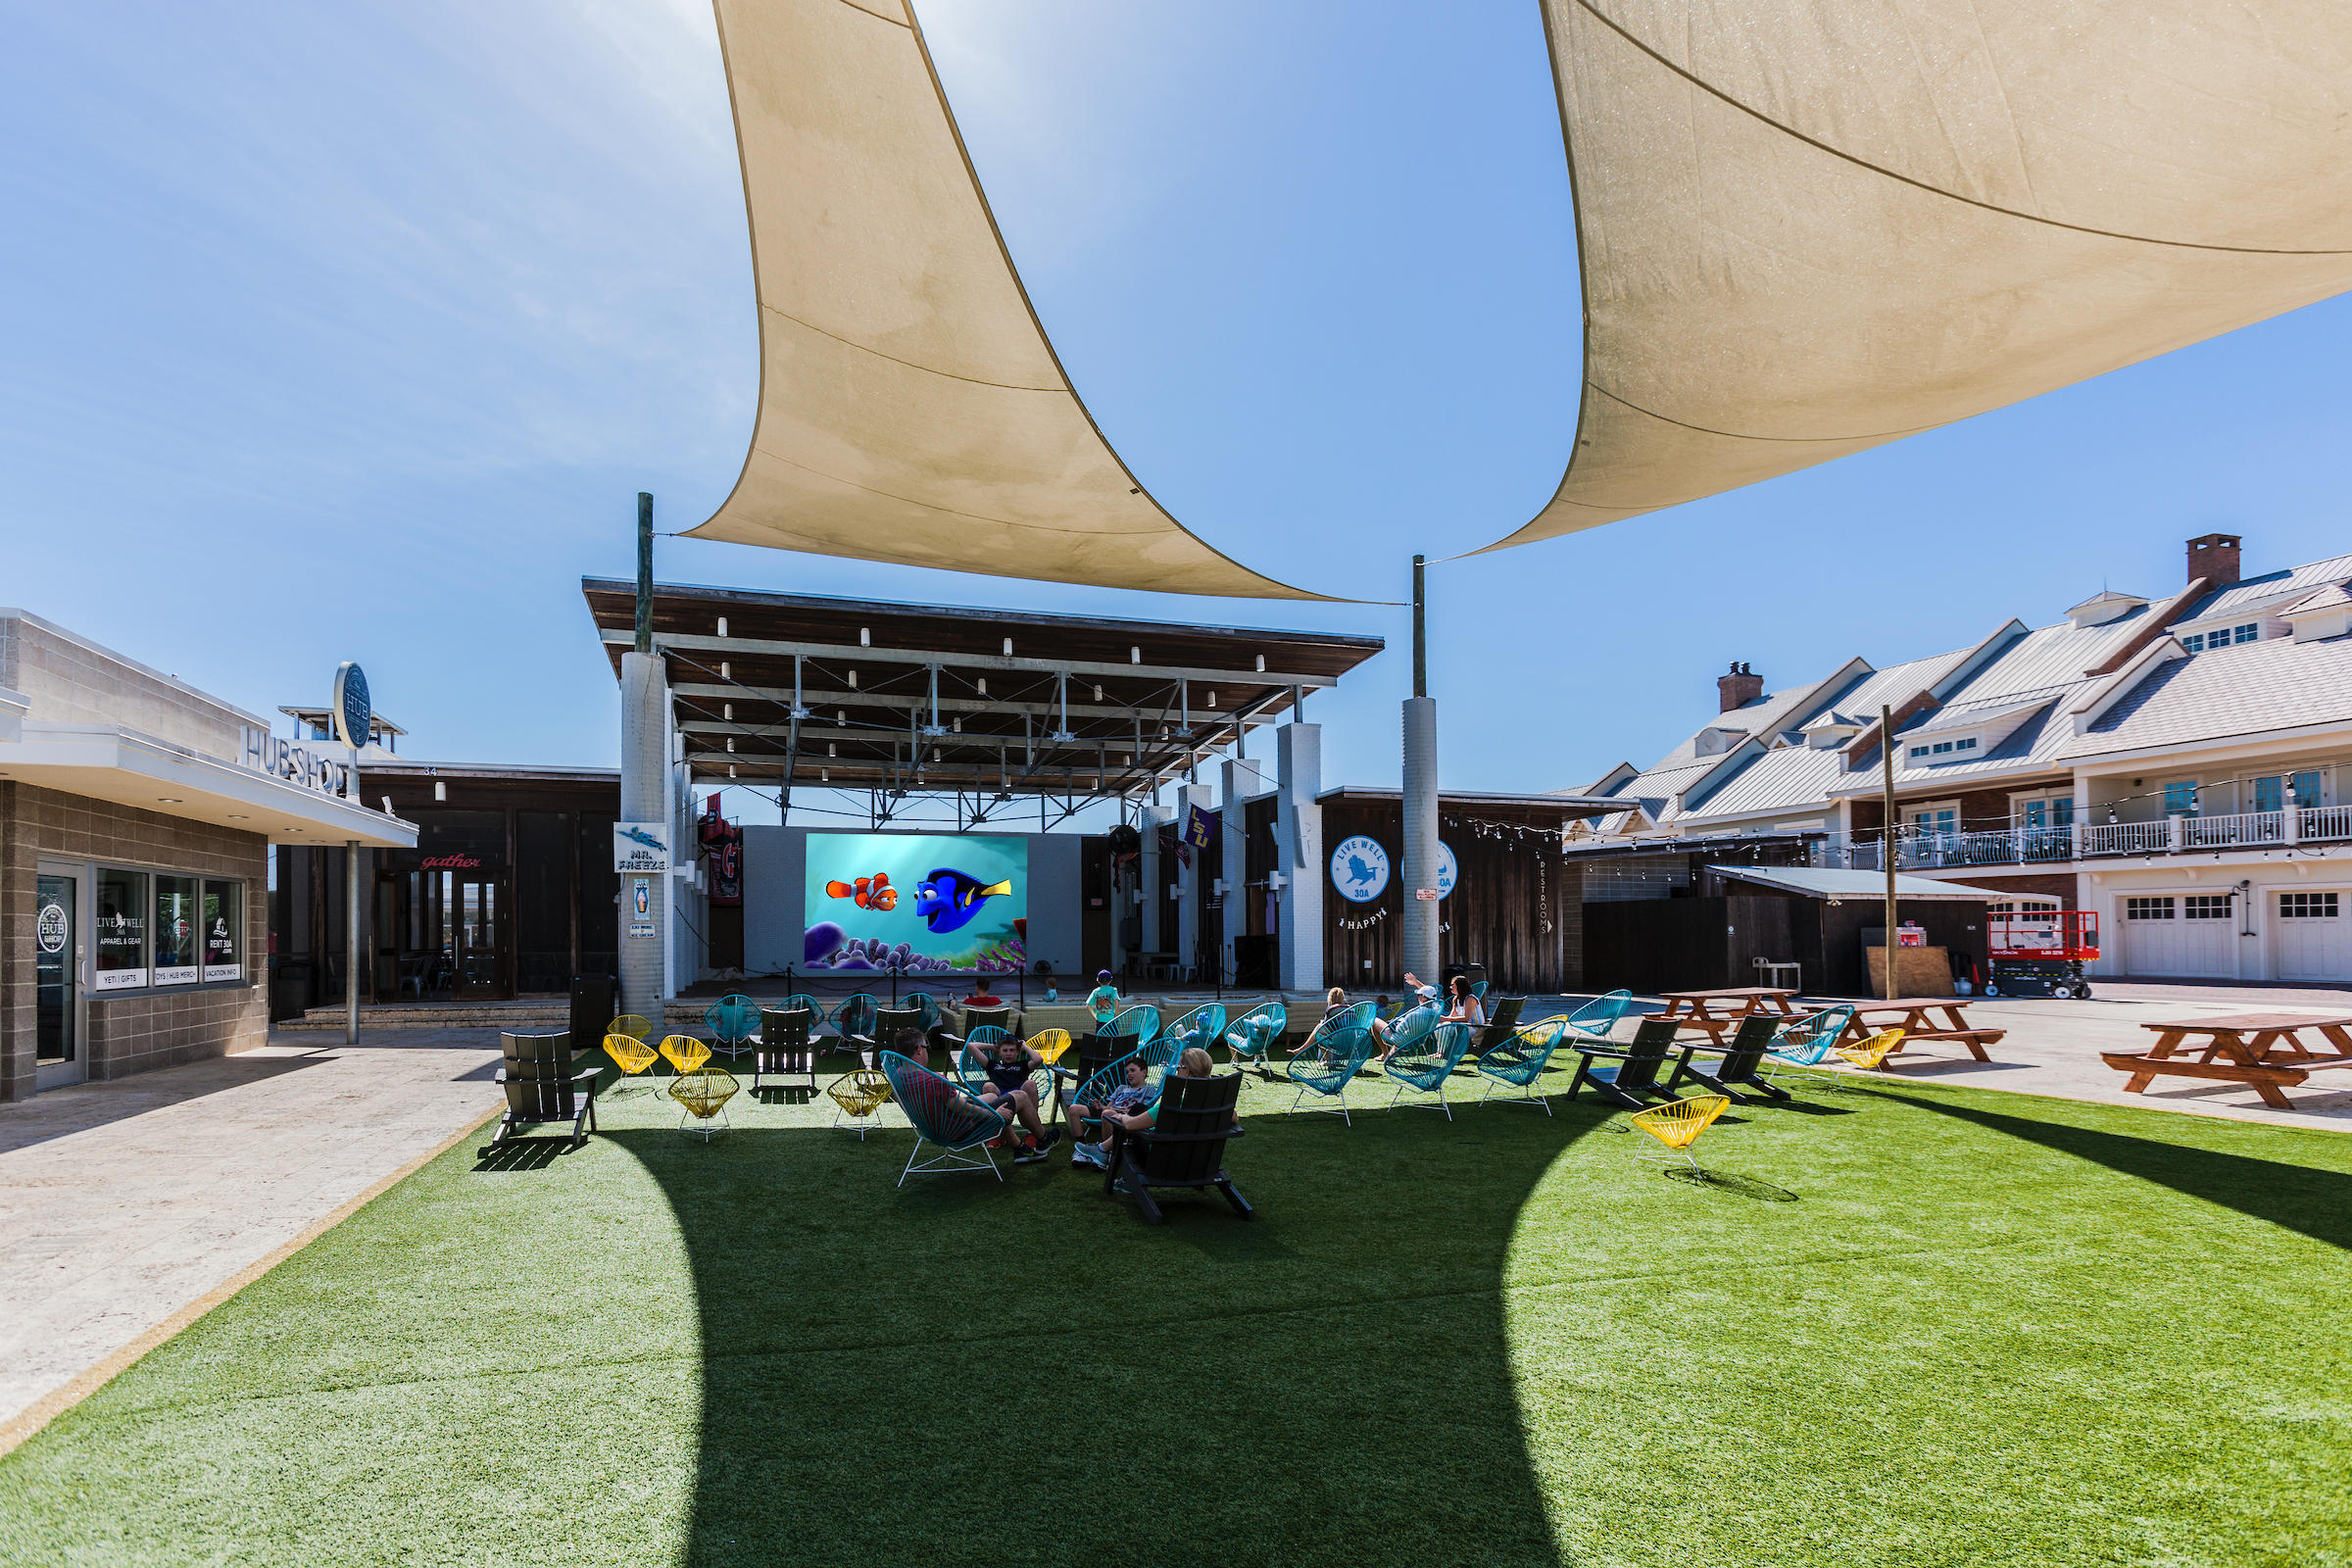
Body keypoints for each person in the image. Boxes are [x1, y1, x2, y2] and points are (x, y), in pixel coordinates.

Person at [966, 1030, 1055, 1163]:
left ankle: (1032, 1132)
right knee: (988, 1086)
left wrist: (1024, 1046)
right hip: (999, 1099)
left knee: (1030, 1084)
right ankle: (997, 1131)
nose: (1008, 1053)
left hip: (1021, 1098)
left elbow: (1038, 1059)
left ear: (1017, 1052)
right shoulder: (993, 1065)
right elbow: (971, 1046)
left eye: (1012, 1050)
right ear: (1000, 1052)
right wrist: (994, 1047)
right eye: (1005, 1050)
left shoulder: (1023, 1065)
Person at [1086, 970, 1121, 1034]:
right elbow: (1116, 1001)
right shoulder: (1113, 990)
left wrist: (1095, 1017)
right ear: (1110, 980)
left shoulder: (1096, 991)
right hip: (1111, 1021)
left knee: (1100, 1041)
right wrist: (1117, 1014)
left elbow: (1088, 1005)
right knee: (1113, 1040)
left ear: (1098, 980)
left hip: (1100, 1021)